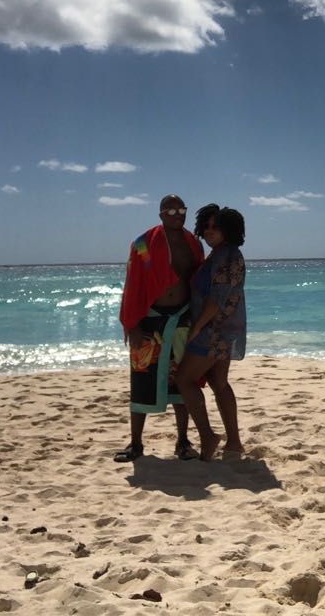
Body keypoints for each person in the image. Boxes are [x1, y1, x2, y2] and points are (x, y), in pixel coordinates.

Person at [114, 194, 205, 462]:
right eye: (171, 211)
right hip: (150, 319)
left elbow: (199, 283)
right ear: (161, 214)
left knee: (182, 382)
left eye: (182, 210)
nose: (178, 215)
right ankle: (135, 443)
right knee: (141, 379)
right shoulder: (143, 243)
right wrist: (132, 324)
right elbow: (133, 283)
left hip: (182, 317)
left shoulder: (193, 243)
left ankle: (183, 442)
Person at [175, 204, 247, 461]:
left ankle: (207, 436)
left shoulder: (226, 255)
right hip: (224, 330)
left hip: (213, 330)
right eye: (205, 226)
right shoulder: (220, 254)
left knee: (184, 379)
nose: (209, 230)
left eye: (215, 226)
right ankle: (234, 443)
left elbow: (217, 298)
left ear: (229, 229)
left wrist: (196, 328)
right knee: (218, 382)